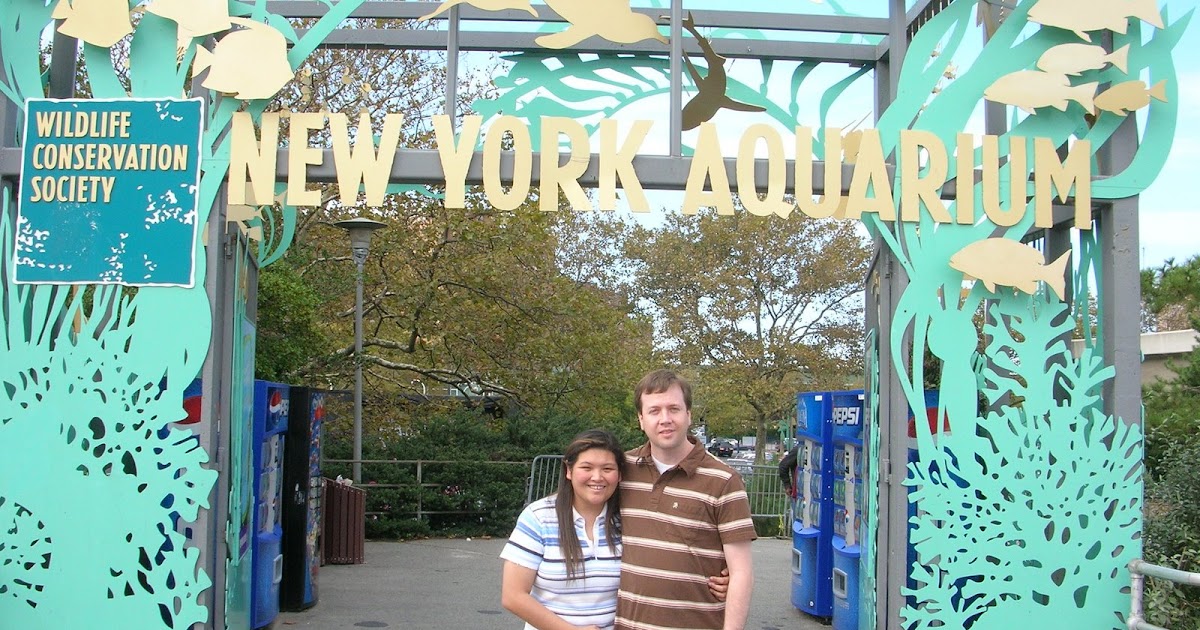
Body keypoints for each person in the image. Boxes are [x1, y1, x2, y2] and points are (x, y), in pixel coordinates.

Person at [501, 429, 729, 630]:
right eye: (586, 467)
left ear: (620, 474)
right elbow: (513, 596)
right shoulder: (540, 517)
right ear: (568, 471)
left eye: (607, 468)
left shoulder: (626, 519)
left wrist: (718, 578)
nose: (597, 477)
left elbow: (666, 557)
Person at [615, 370, 756, 630]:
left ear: (689, 415)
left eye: (674, 409)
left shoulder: (724, 480)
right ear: (641, 419)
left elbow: (741, 574)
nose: (665, 419)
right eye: (654, 411)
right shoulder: (621, 471)